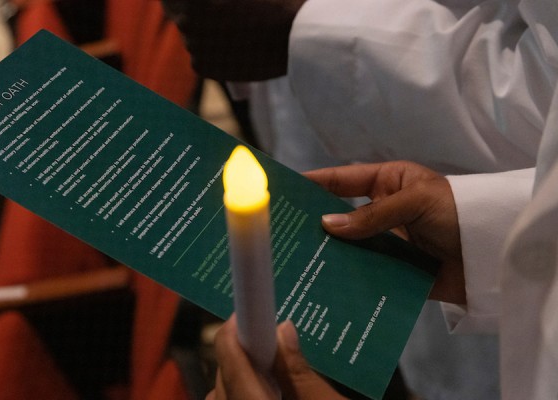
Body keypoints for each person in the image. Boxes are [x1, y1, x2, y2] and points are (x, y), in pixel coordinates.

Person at [163, 0, 557, 397]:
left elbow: (541, 85)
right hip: (438, 258)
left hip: (511, 330)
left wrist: (310, 32)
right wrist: (475, 231)